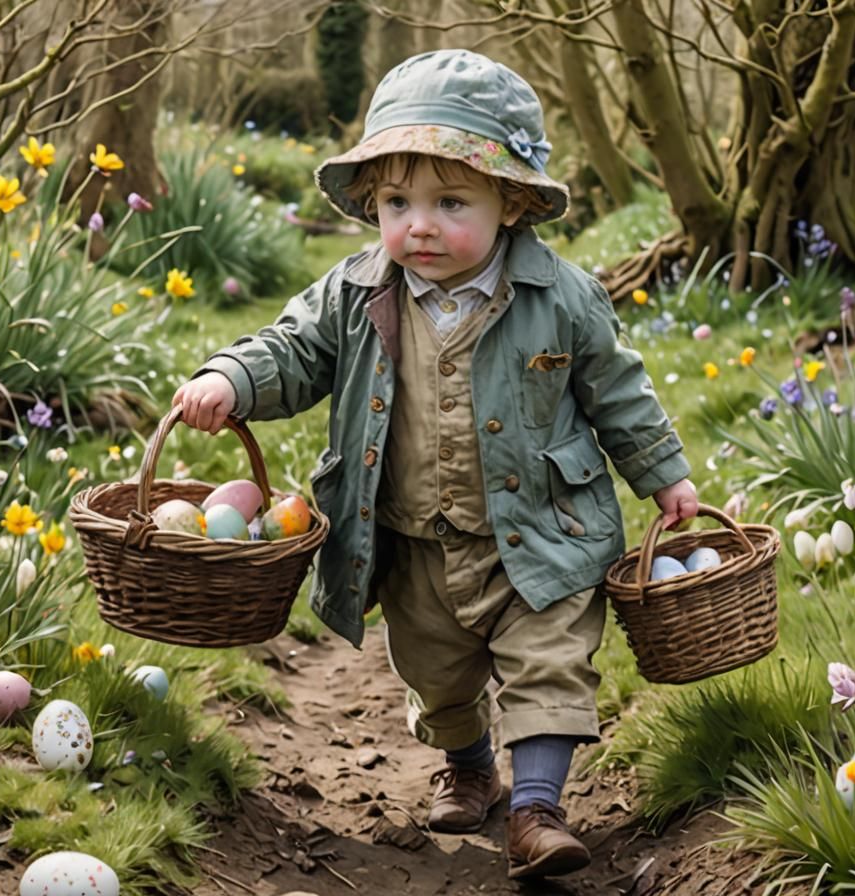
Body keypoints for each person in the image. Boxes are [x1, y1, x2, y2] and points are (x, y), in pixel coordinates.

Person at [174, 48, 698, 881]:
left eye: (450, 202)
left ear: (511, 202)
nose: (418, 225)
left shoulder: (560, 296)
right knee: (436, 673)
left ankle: (536, 810)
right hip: (414, 538)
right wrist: (231, 378)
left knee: (550, 662)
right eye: (396, 202)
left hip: (545, 531)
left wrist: (664, 475)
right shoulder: (355, 293)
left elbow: (618, 391)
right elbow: (291, 350)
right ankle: (469, 764)